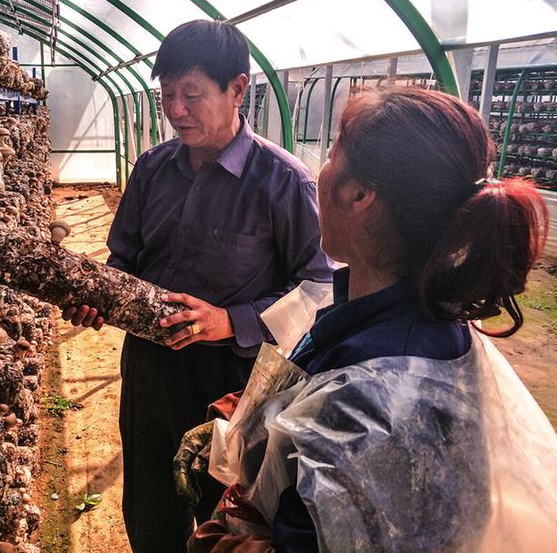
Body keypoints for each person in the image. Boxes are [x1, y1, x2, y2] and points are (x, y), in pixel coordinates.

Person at [178, 87, 555, 552]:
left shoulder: (368, 401)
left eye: (333, 153)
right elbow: (311, 406)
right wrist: (244, 419)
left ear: (358, 194)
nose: (322, 170)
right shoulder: (412, 316)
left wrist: (219, 543)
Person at [62, 19, 334, 553]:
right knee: (150, 504)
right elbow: (124, 259)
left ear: (237, 89)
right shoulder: (153, 168)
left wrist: (230, 320)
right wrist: (102, 299)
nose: (176, 110)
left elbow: (318, 288)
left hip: (230, 382)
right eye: (167, 95)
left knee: (224, 514)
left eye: (192, 95)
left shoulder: (283, 181)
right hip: (149, 366)